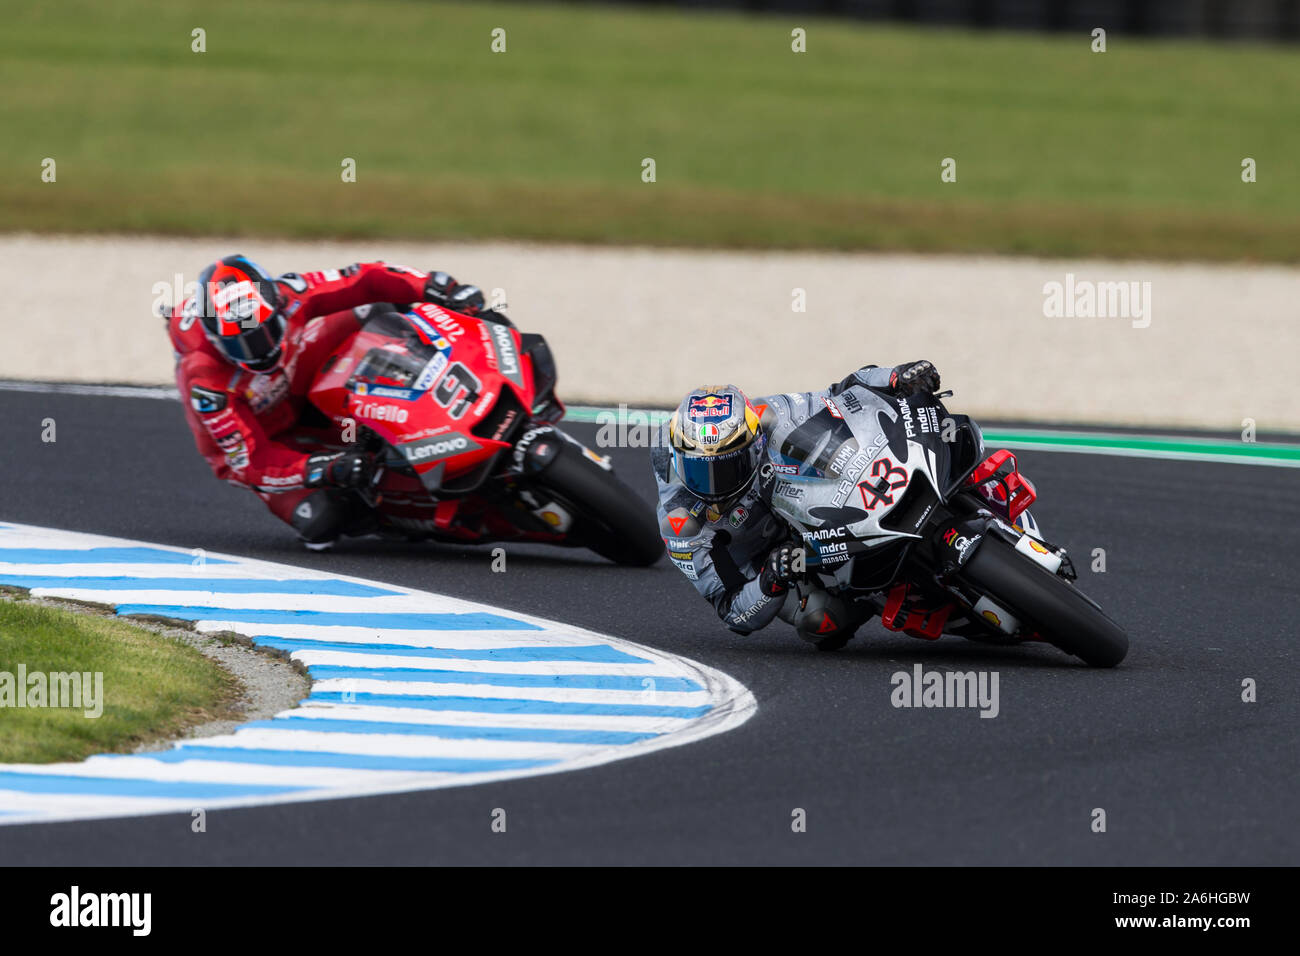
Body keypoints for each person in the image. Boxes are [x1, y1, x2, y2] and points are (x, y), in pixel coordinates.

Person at [651, 361, 1041, 649]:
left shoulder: (767, 414)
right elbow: (732, 611)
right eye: (702, 470)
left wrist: (894, 377)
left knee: (947, 433)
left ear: (751, 441)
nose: (716, 484)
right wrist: (770, 579)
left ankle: (985, 504)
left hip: (821, 496)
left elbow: (843, 392)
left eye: (728, 464)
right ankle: (903, 601)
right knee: (821, 622)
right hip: (787, 558)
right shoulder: (681, 522)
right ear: (678, 456)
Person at [166, 254, 488, 548]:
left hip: (294, 379)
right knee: (323, 519)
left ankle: (459, 371)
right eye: (242, 344)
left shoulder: (290, 293)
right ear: (214, 339)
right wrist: (323, 467)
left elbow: (365, 278)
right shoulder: (206, 383)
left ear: (276, 306)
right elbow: (250, 462)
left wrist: (435, 287)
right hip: (267, 435)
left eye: (264, 333)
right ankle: (400, 508)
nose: (261, 351)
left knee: (379, 309)